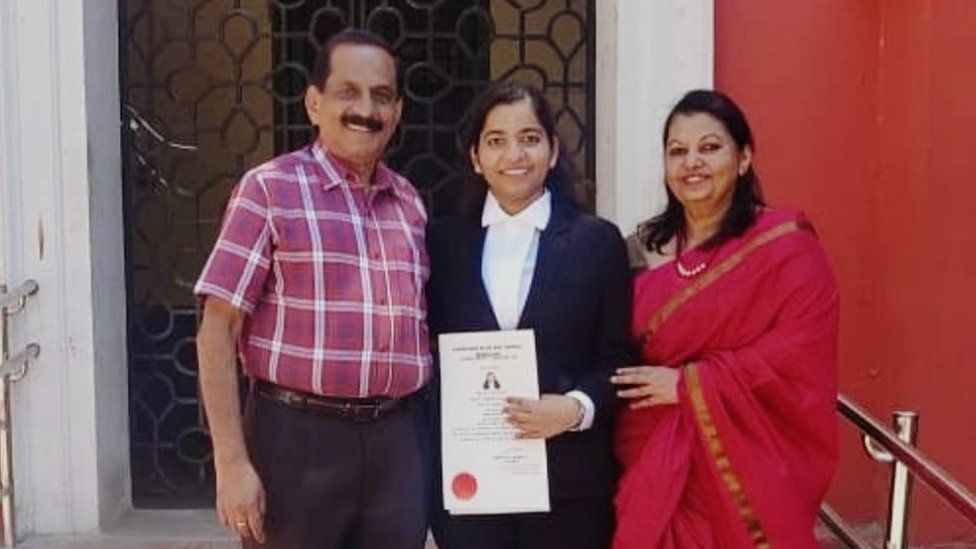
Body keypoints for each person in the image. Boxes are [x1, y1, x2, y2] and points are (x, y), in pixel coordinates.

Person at [194, 29, 432, 549]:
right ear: (314, 103)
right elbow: (217, 331)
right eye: (348, 92)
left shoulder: (410, 203)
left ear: (396, 111)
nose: (365, 109)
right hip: (295, 442)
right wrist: (231, 463)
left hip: (394, 443)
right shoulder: (270, 189)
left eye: (382, 96)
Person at [610, 89, 839, 548]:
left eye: (709, 148)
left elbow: (799, 350)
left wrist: (689, 384)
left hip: (744, 460)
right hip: (649, 457)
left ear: (743, 158)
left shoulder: (785, 247)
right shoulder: (638, 250)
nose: (691, 162)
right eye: (677, 151)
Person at [426, 81, 632, 549]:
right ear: (476, 157)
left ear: (553, 151)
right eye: (496, 141)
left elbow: (618, 357)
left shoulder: (597, 242)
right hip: (471, 487)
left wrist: (577, 408)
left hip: (570, 486)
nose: (514, 154)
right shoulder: (441, 244)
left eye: (530, 138)